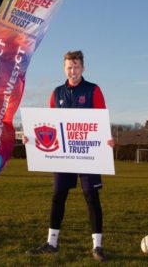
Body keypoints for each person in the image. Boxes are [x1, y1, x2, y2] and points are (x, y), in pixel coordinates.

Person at [26, 50, 114, 262]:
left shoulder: (93, 90)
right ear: (64, 69)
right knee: (58, 196)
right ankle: (52, 243)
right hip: (63, 155)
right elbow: (50, 125)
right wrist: (32, 139)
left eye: (76, 67)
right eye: (69, 68)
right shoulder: (56, 93)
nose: (72, 71)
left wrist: (108, 139)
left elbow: (101, 121)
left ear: (83, 68)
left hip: (88, 154)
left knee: (91, 197)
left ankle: (97, 247)